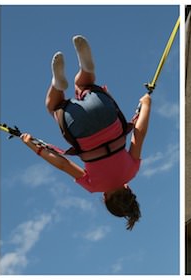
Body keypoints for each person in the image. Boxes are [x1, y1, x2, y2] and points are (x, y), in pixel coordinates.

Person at [20, 35, 152, 230]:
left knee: (84, 86)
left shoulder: (132, 171)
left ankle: (86, 68)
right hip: (79, 127)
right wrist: (34, 146)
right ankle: (57, 84)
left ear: (128, 189)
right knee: (53, 105)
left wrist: (147, 104)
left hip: (106, 114)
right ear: (105, 198)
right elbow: (63, 164)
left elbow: (138, 134)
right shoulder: (93, 186)